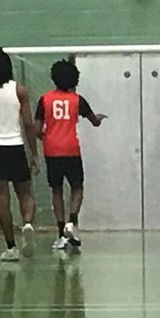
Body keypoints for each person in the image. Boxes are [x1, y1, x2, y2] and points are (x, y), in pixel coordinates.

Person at [0, 48, 39, 263]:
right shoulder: (20, 90)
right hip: (16, 146)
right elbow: (29, 124)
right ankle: (28, 222)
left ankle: (11, 247)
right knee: (26, 194)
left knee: (2, 199)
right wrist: (34, 153)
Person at [35, 59, 106, 254]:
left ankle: (60, 234)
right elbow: (94, 122)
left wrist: (46, 137)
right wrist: (98, 118)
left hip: (52, 150)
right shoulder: (78, 100)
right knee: (77, 187)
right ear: (74, 79)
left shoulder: (45, 99)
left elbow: (36, 129)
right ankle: (72, 221)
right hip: (71, 149)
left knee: (56, 190)